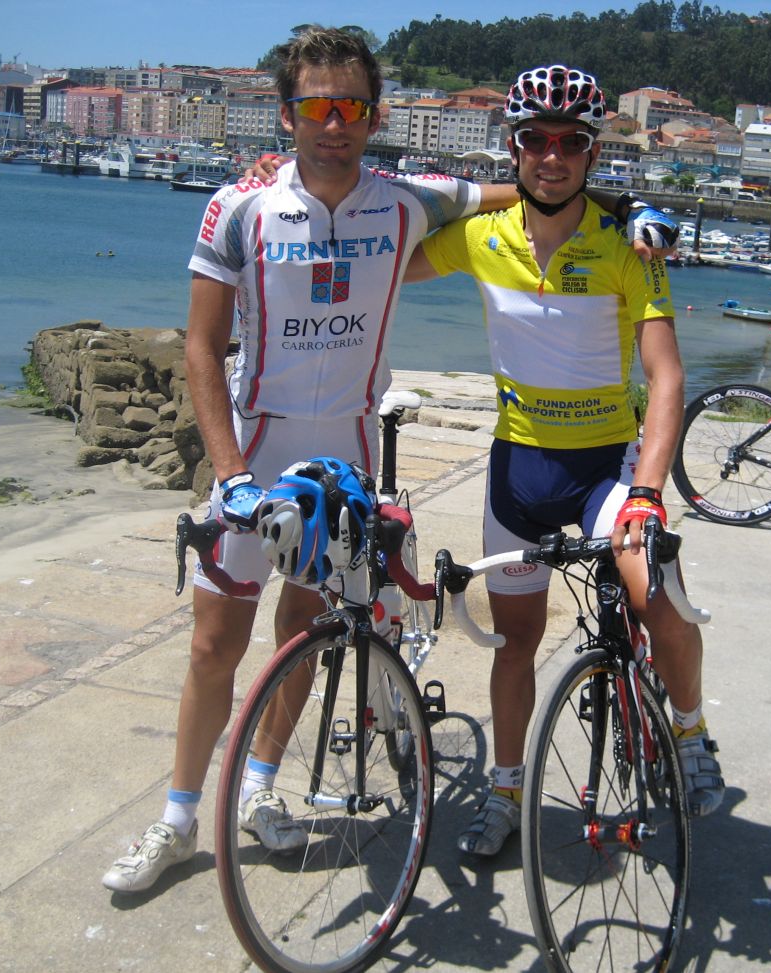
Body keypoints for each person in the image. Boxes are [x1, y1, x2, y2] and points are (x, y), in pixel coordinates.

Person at [102, 33, 678, 895]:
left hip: (345, 457)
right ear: (287, 114)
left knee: (304, 631)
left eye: (352, 107)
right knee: (214, 644)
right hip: (254, 452)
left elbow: (529, 187)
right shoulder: (237, 206)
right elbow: (201, 347)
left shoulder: (407, 201)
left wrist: (626, 205)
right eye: (316, 106)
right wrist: (228, 475)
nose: (334, 123)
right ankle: (178, 820)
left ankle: (259, 787)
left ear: (375, 117)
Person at [404, 64, 724, 858]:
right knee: (515, 643)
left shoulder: (629, 247)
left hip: (605, 472)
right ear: (513, 146)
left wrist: (648, 492)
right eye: (535, 139)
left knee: (659, 594)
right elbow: (382, 249)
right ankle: (506, 790)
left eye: (571, 142)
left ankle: (690, 731)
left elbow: (667, 377)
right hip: (517, 474)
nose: (552, 156)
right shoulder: (480, 238)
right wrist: (287, 183)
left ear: (593, 151)